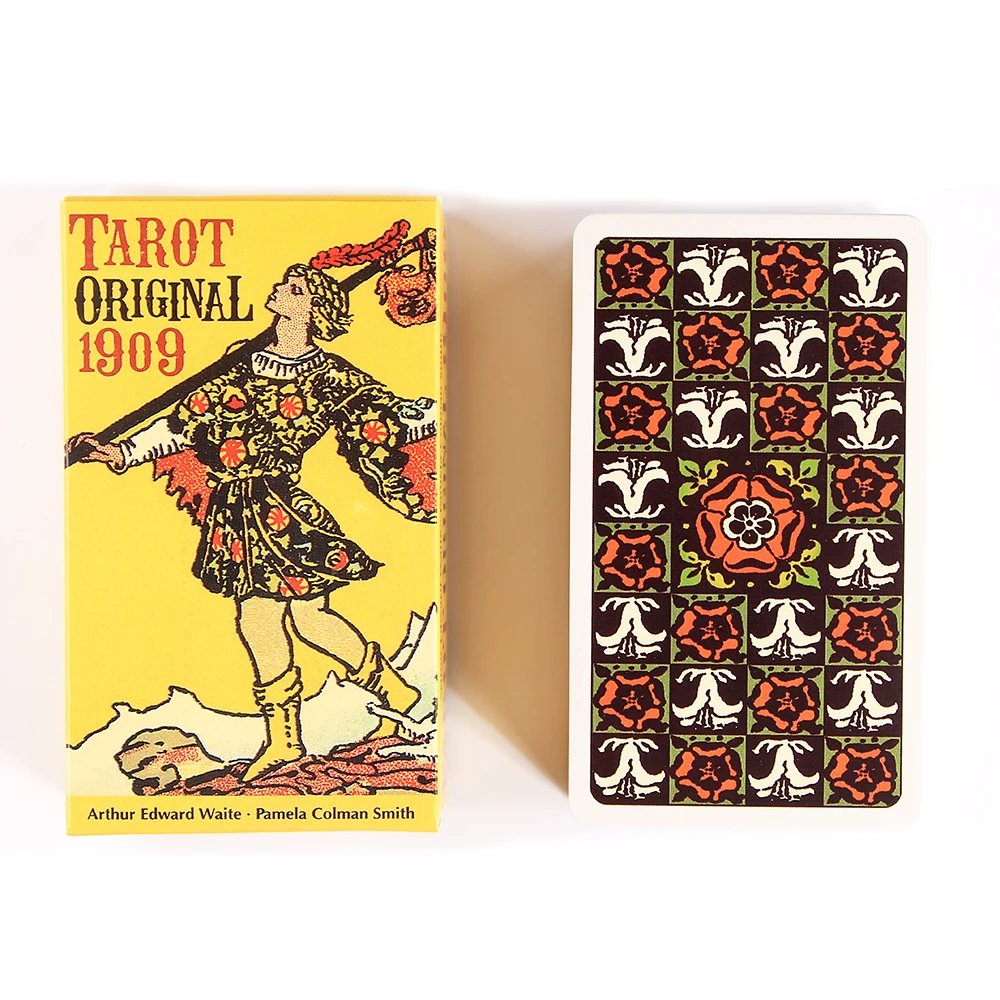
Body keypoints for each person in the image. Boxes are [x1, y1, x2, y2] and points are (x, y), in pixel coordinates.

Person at [67, 263, 437, 782]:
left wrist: (445, 411)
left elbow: (393, 417)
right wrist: (119, 453)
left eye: (295, 288)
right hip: (233, 509)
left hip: (278, 507)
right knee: (303, 618)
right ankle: (395, 695)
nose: (280, 288)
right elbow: (183, 426)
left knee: (268, 619)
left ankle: (288, 742)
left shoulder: (333, 376)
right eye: (284, 281)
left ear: (313, 309)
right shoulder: (239, 364)